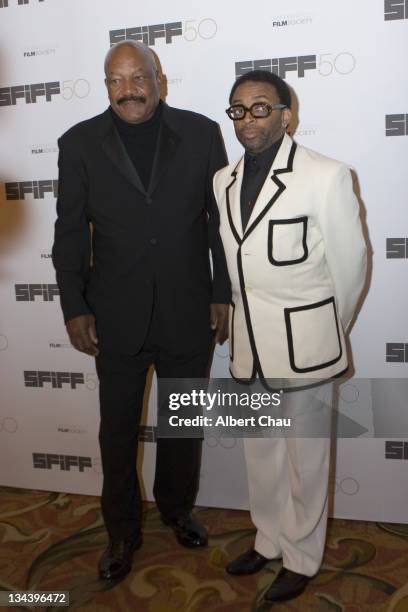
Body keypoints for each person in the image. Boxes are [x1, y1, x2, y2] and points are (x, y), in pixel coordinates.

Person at [52, 41, 230, 581]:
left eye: (138, 77)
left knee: (181, 424)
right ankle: (122, 531)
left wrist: (221, 291)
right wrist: (75, 306)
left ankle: (177, 510)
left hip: (188, 309)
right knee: (117, 431)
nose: (127, 88)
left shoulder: (201, 133)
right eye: (115, 79)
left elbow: (220, 223)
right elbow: (68, 232)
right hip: (115, 315)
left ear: (160, 78)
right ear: (105, 85)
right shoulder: (78, 142)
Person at [213, 70, 367, 603]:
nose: (248, 118)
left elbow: (350, 268)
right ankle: (269, 539)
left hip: (307, 349)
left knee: (306, 460)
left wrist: (328, 330)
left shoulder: (326, 175)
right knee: (263, 456)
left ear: (286, 114)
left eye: (261, 107)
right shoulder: (223, 180)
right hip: (251, 349)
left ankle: (302, 557)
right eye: (238, 108)